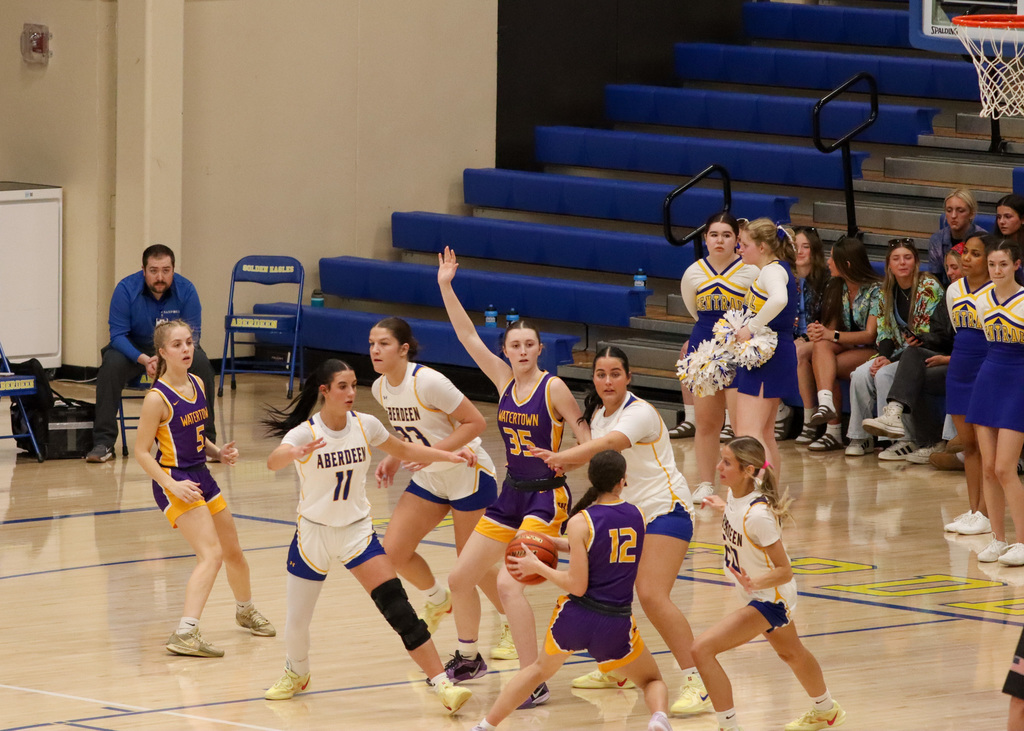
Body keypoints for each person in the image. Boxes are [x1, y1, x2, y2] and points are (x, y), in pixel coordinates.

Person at [261, 358, 473, 713]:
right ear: (324, 391)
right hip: (312, 535)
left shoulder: (366, 425)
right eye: (342, 386)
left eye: (354, 385)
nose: (351, 393)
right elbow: (273, 460)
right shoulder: (305, 433)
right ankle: (297, 673)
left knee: (400, 611)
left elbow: (405, 451)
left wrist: (448, 455)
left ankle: (443, 686)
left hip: (357, 533)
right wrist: (293, 453)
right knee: (296, 623)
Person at [437, 247, 590, 707]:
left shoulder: (555, 388)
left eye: (529, 345)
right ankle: (469, 656)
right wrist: (446, 284)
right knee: (461, 577)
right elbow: (466, 336)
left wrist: (567, 459)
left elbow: (590, 444)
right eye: (514, 345)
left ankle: (532, 679)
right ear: (505, 350)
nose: (521, 351)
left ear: (540, 349)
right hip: (511, 495)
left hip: (547, 499)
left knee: (507, 584)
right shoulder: (504, 381)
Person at [530, 347, 710, 716]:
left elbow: (612, 445)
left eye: (615, 373)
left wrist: (561, 458)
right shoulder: (598, 415)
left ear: (628, 377)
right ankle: (619, 665)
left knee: (652, 594)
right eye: (601, 373)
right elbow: (599, 461)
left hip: (665, 509)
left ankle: (698, 679)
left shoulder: (640, 412)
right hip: (627, 517)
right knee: (606, 589)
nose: (607, 380)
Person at [470, 451, 672, 731]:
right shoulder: (638, 515)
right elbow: (598, 544)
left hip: (576, 618)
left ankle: (485, 725)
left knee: (536, 671)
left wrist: (536, 566)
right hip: (616, 622)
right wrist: (549, 541)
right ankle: (658, 719)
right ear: (622, 481)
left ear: (590, 479)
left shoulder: (581, 522)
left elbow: (577, 584)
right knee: (652, 681)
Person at [133, 320, 274, 658]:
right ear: (163, 352)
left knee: (233, 551)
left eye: (189, 342)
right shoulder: (157, 398)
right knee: (210, 554)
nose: (186, 349)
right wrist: (170, 484)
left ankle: (245, 610)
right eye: (178, 344)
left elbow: (194, 435)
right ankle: (185, 632)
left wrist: (217, 452)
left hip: (200, 476)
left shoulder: (197, 382)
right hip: (174, 481)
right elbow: (141, 452)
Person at [368, 317, 509, 655]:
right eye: (372, 343)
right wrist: (392, 457)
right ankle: (437, 599)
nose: (375, 350)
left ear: (403, 349)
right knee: (393, 553)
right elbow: (410, 430)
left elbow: (476, 422)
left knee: (471, 565)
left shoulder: (429, 382)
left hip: (468, 475)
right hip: (431, 478)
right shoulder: (380, 387)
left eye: (383, 343)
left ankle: (508, 624)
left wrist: (436, 455)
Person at [694, 437, 845, 731]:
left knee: (701, 649)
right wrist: (723, 506)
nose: (718, 467)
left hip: (770, 599)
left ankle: (729, 726)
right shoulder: (737, 495)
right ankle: (827, 710)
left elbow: (785, 570)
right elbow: (739, 512)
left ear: (748, 470)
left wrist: (755, 581)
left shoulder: (759, 516)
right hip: (759, 593)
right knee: (792, 653)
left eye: (726, 463)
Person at [88, 245, 217, 463]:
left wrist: (170, 357)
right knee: (110, 365)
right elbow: (117, 335)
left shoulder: (187, 290)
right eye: (154, 271)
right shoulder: (125, 289)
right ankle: (104, 442)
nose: (160, 277)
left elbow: (191, 336)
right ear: (143, 270)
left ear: (173, 270)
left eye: (166, 271)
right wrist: (146, 359)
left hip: (172, 350)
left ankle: (206, 442)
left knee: (202, 363)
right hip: (135, 351)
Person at [678, 212, 759, 498]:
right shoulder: (693, 272)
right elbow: (693, 309)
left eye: (726, 235)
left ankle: (745, 483)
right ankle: (705, 482)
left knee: (741, 424)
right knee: (707, 422)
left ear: (737, 239)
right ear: (705, 238)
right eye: (714, 235)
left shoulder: (751, 270)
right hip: (705, 350)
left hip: (739, 351)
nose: (720, 240)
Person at [845, 239, 944, 460]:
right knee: (861, 373)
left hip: (921, 352)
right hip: (896, 352)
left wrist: (888, 361)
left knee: (884, 374)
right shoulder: (886, 290)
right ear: (888, 264)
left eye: (907, 258)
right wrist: (882, 356)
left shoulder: (928, 287)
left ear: (916, 262)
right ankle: (860, 438)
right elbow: (885, 331)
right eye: (896, 259)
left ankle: (902, 440)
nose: (902, 263)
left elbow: (923, 337)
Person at [967, 239, 1024, 566]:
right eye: (992, 265)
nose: (997, 270)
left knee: (1005, 467)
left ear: (1016, 265)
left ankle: (1022, 542)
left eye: (1003, 264)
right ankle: (998, 540)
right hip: (987, 379)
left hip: (1018, 381)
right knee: (988, 468)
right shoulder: (980, 300)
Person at [733, 218, 801, 474]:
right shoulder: (774, 269)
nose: (740, 249)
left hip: (767, 355)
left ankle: (760, 494)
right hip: (773, 353)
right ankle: (769, 493)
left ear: (762, 247)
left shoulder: (773, 270)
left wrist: (751, 328)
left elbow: (779, 299)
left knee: (749, 433)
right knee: (764, 432)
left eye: (745, 244)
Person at [804, 236, 882, 452]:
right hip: (850, 345)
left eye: (832, 258)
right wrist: (818, 332)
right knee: (820, 348)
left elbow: (869, 335)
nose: (828, 262)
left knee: (828, 369)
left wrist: (831, 335)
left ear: (846, 264)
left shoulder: (876, 290)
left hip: (877, 348)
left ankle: (833, 430)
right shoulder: (837, 285)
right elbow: (829, 329)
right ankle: (826, 406)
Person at [939, 235, 993, 536]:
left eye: (975, 254)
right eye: (965, 253)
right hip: (959, 366)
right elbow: (957, 328)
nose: (967, 259)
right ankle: (974, 510)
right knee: (969, 445)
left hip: (986, 367)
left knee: (987, 448)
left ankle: (986, 511)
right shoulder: (954, 289)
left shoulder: (998, 292)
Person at [789, 226, 831, 443]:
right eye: (796, 247)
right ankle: (778, 412)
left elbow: (827, 318)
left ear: (814, 251)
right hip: (793, 336)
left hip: (819, 337)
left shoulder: (826, 279)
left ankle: (809, 418)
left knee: (798, 352)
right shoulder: (785, 277)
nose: (800, 251)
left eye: (805, 247)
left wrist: (804, 338)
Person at [927, 188, 986, 287]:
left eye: (960, 211)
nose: (953, 216)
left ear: (971, 213)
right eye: (949, 210)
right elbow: (936, 280)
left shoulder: (983, 238)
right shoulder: (936, 240)